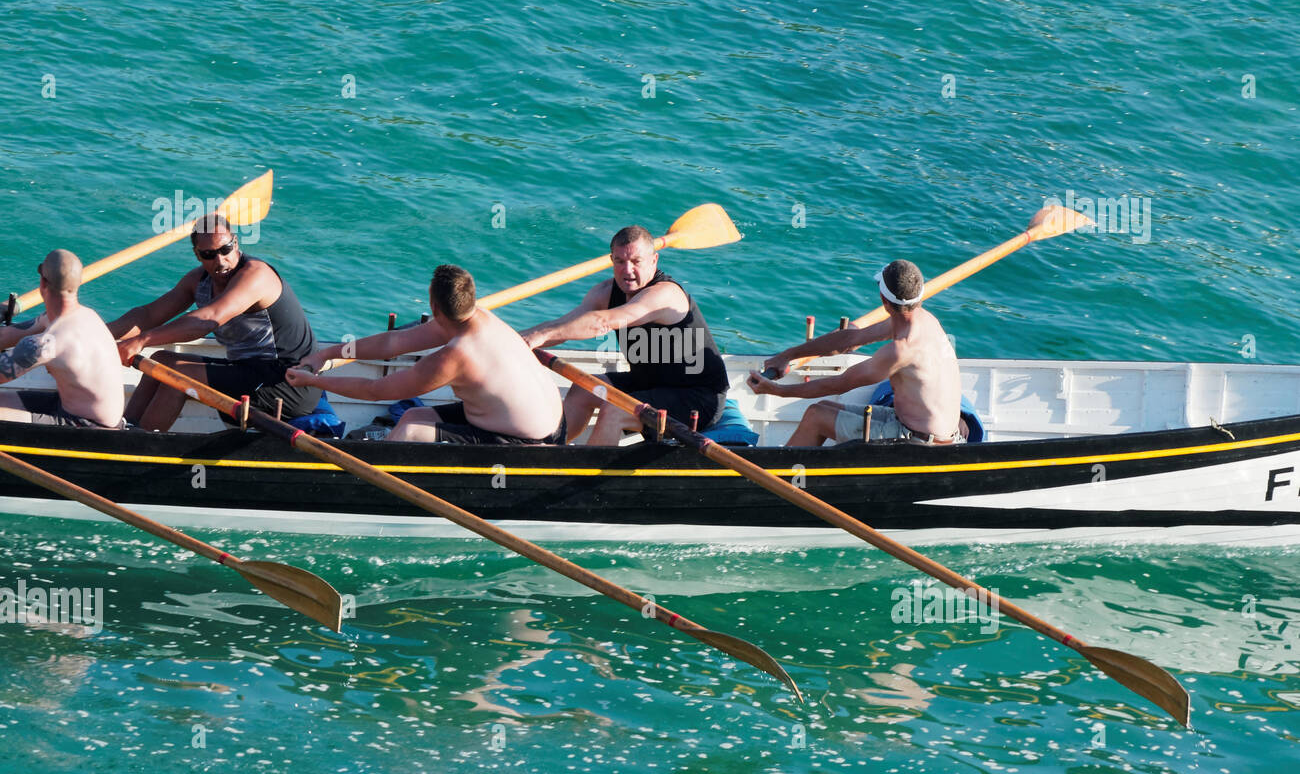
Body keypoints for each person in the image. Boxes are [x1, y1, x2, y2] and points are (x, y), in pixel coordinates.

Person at [286, 264, 564, 444]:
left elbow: (375, 391)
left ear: (434, 306)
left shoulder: (457, 356)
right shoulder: (480, 317)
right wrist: (328, 354)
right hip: (554, 422)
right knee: (409, 416)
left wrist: (314, 381)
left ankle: (367, 488)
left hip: (526, 442)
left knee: (410, 431)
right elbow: (392, 343)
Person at [521, 225, 731, 444]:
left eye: (636, 261)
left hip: (697, 398)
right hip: (648, 383)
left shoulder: (665, 295)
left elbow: (603, 322)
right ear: (612, 260)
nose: (627, 270)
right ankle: (551, 454)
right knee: (584, 388)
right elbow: (562, 326)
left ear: (654, 260)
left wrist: (540, 335)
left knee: (614, 409)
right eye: (620, 261)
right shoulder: (604, 292)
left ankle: (584, 474)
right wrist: (519, 339)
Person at [108, 214, 318, 431]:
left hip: (288, 381)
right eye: (209, 254)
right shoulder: (197, 281)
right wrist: (99, 334)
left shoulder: (257, 275)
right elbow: (149, 315)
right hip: (248, 369)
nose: (220, 260)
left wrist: (141, 340)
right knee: (160, 360)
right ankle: (124, 430)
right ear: (197, 255)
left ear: (235, 243)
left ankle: (141, 443)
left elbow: (206, 321)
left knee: (181, 376)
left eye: (225, 249)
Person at [747, 259, 963, 446]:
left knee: (816, 416)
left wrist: (775, 390)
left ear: (884, 300)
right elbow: (850, 339)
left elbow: (838, 384)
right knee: (823, 407)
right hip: (920, 427)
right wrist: (788, 355)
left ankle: (780, 479)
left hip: (919, 443)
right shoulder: (924, 320)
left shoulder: (900, 351)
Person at [0, 250, 125, 428]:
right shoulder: (86, 316)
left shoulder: (49, 344)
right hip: (70, 407)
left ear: (43, 283)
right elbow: (5, 336)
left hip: (90, 429)